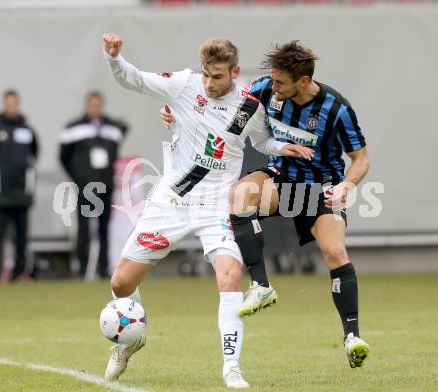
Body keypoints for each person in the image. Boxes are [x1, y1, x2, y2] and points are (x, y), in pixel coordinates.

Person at [102, 32, 313, 388]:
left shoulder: (249, 106)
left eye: (218, 77)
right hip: (172, 200)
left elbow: (261, 140)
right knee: (121, 283)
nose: (210, 83)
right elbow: (133, 79)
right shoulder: (183, 85)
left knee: (230, 277)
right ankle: (129, 339)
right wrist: (114, 58)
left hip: (217, 205)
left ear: (235, 72)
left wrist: (283, 147)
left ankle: (232, 368)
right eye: (206, 75)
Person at [161, 40, 371, 369]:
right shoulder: (264, 90)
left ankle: (352, 337)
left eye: (280, 82)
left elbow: (361, 159)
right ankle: (261, 285)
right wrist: (177, 115)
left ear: (303, 81)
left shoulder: (335, 109)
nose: (273, 87)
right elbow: (223, 105)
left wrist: (347, 184)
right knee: (241, 196)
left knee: (334, 252)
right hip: (282, 176)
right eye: (271, 80)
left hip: (321, 188)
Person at [60, 91, 128, 279]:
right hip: (85, 186)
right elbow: (63, 156)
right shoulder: (74, 128)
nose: (95, 108)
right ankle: (82, 268)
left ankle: (103, 268)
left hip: (105, 184)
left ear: (102, 106)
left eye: (98, 105)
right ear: (87, 106)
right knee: (84, 227)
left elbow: (118, 141)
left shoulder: (111, 128)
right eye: (92, 105)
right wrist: (78, 177)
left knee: (104, 228)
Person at [0, 90, 38, 282]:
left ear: (18, 104)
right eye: (8, 103)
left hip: (22, 193)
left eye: (14, 103)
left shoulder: (27, 130)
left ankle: (20, 272)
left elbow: (34, 155)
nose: (11, 107)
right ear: (4, 105)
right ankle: (0, 273)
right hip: (1, 194)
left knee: (22, 236)